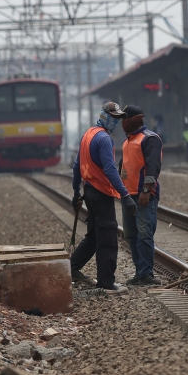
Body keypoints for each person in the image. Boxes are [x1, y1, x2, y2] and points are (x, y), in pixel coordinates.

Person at [71, 101, 135, 294]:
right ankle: (106, 283)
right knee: (107, 237)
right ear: (104, 116)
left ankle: (71, 268)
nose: (116, 122)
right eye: (114, 118)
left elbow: (76, 166)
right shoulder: (104, 139)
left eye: (118, 119)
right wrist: (125, 195)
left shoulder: (87, 135)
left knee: (93, 236)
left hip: (90, 193)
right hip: (101, 193)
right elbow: (109, 169)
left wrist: (76, 192)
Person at [120, 104, 163, 287]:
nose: (122, 122)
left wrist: (146, 189)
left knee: (144, 235)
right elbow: (123, 167)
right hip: (128, 196)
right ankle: (140, 273)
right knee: (132, 235)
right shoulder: (127, 141)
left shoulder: (150, 139)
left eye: (124, 119)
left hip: (143, 196)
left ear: (134, 120)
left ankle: (146, 274)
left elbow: (153, 166)